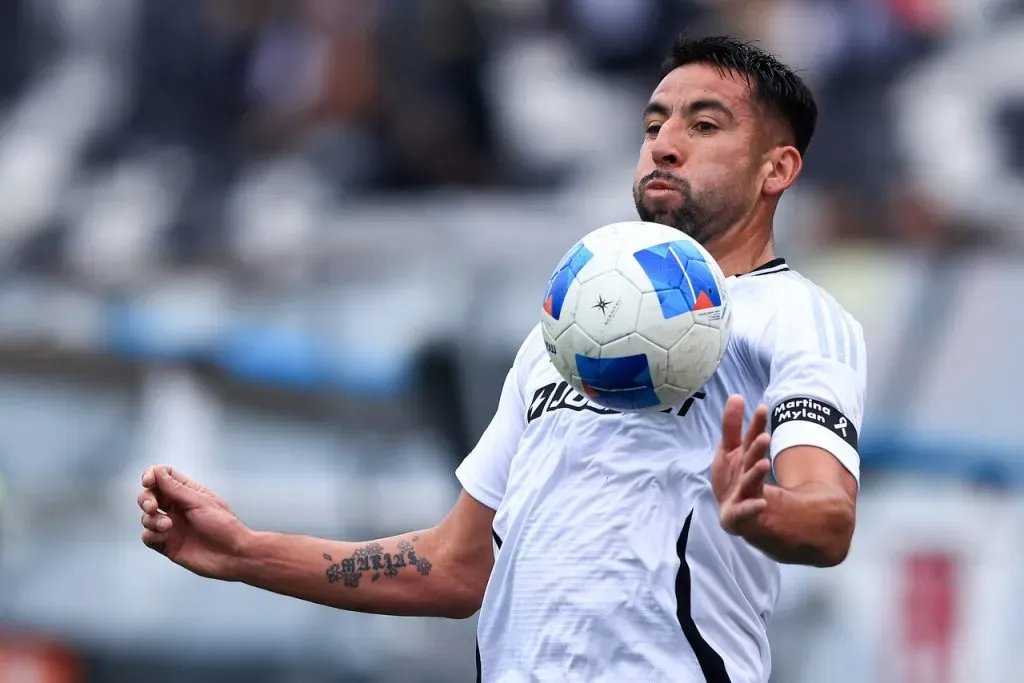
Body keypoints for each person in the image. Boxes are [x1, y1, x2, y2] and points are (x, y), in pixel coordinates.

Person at [137, 35, 866, 683]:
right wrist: (245, 552)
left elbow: (828, 518)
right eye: (653, 124)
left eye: (703, 124)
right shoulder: (567, 329)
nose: (664, 143)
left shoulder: (797, 317)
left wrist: (763, 512)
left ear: (778, 168)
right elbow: (456, 564)